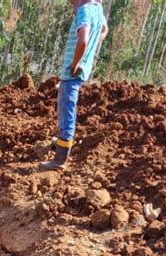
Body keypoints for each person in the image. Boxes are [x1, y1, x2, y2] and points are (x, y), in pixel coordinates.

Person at [41, 0, 108, 170]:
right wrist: (90, 52)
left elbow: (83, 40)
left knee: (66, 110)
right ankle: (63, 142)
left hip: (72, 73)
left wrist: (75, 63)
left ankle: (60, 160)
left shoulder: (84, 11)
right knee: (66, 109)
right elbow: (104, 30)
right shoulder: (97, 9)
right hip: (80, 71)